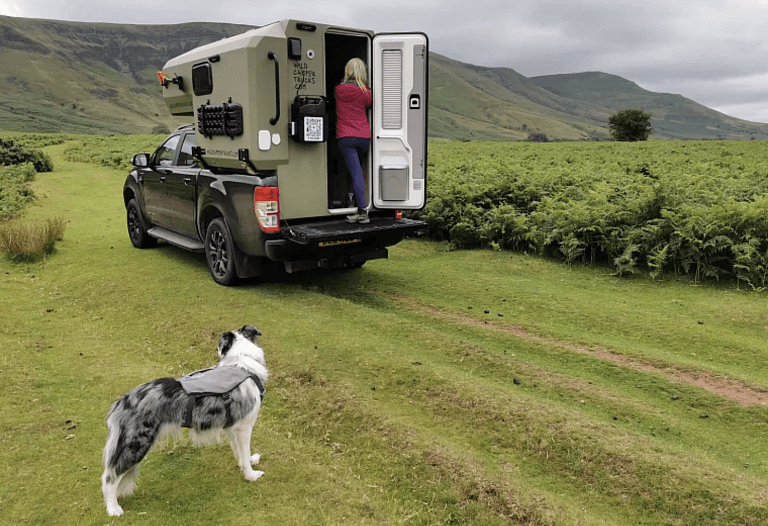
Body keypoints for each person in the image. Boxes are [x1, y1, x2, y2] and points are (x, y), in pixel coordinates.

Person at [335, 58, 373, 224]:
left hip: (345, 137)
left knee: (354, 171)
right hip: (364, 137)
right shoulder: (366, 92)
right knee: (356, 170)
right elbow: (368, 104)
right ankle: (352, 202)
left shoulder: (338, 90)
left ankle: (362, 211)